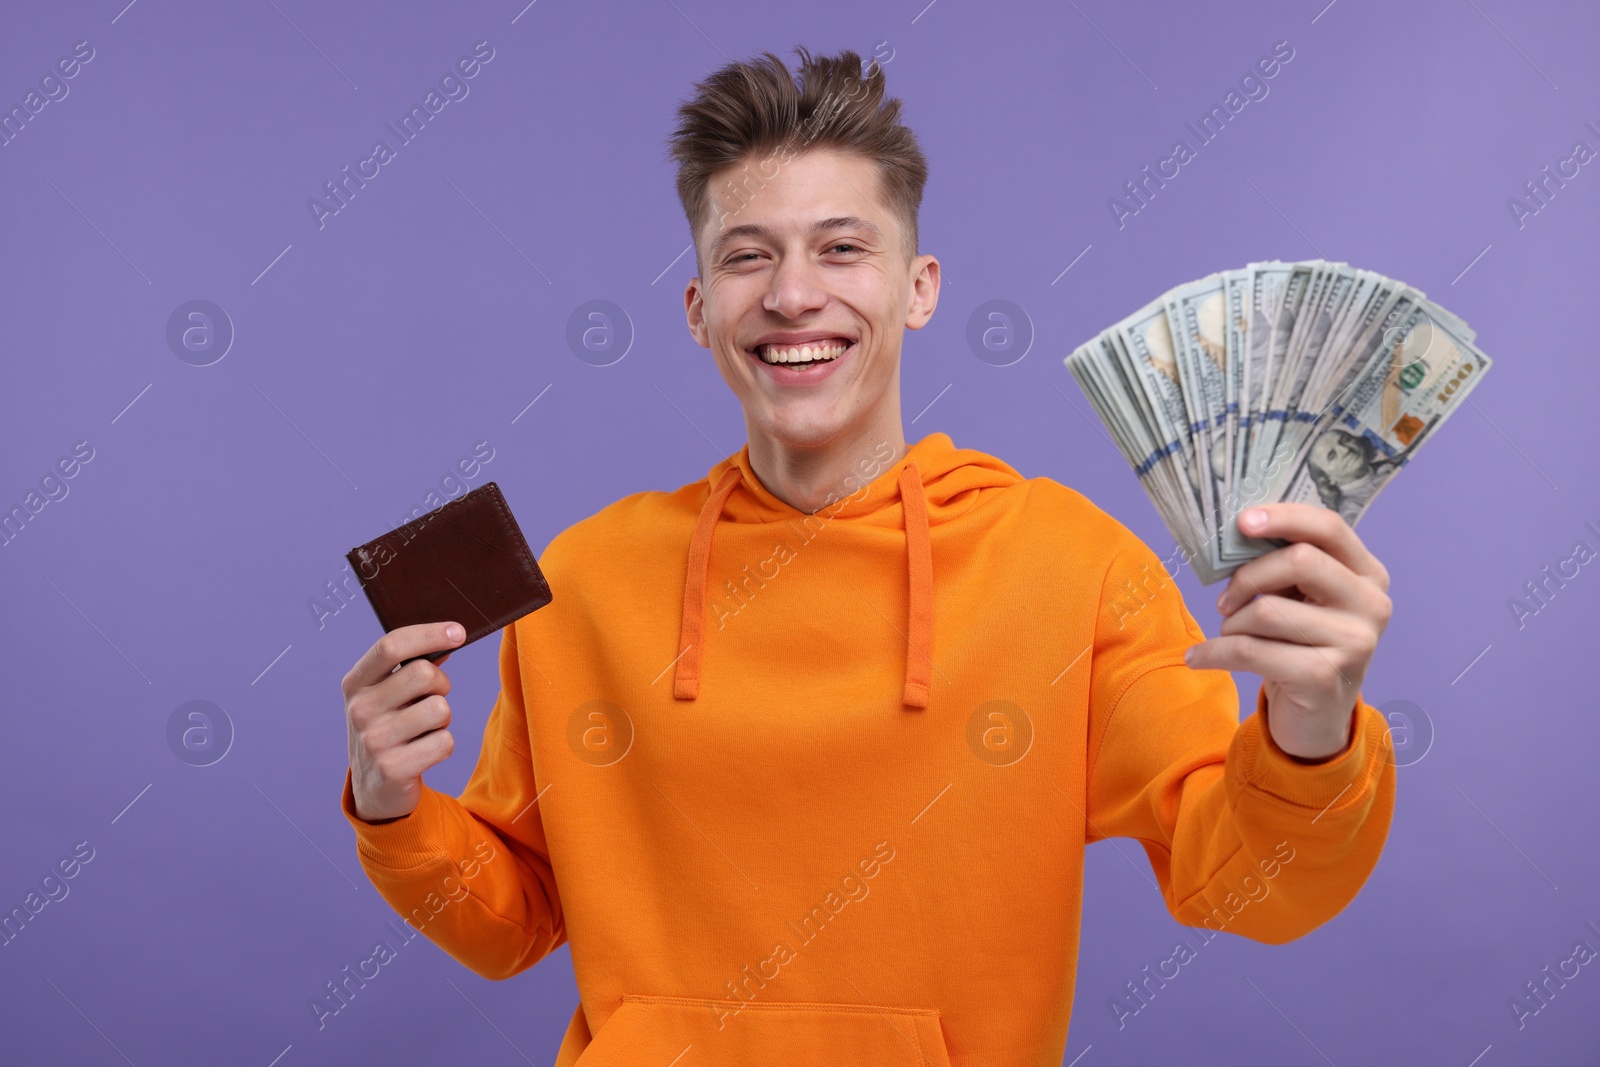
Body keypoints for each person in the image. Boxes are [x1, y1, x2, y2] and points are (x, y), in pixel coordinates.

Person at [338, 46, 1396, 1066]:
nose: (793, 295)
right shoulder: (587, 578)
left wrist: (1311, 730)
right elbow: (511, 914)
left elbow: (1251, 886)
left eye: (841, 249)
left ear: (919, 287)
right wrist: (391, 805)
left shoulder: (1071, 567)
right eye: (747, 254)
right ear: (699, 310)